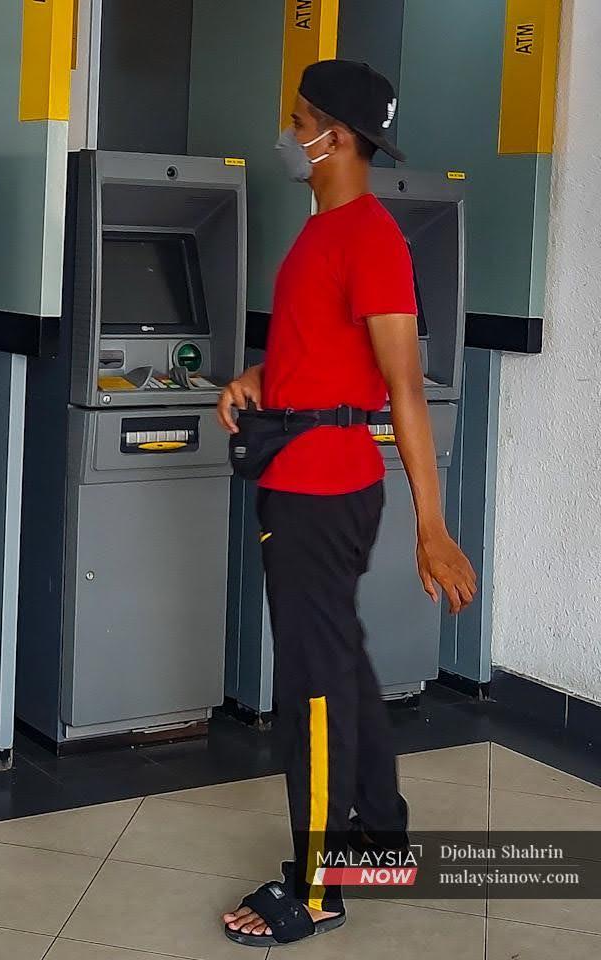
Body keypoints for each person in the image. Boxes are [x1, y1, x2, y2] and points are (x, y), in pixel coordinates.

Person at [215, 60, 478, 947]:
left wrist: (433, 526)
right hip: (302, 475)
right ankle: (380, 838)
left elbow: (403, 388)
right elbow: (325, 356)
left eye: (298, 121)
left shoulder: (371, 238)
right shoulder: (321, 232)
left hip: (322, 494)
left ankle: (320, 887)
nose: (288, 135)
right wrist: (260, 379)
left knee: (314, 690)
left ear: (334, 136)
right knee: (341, 663)